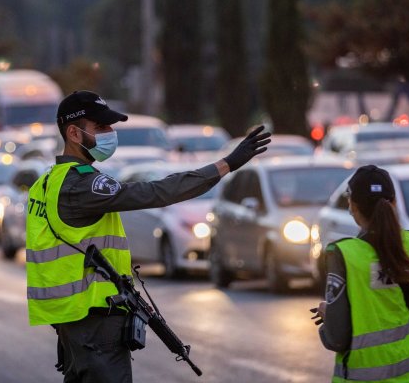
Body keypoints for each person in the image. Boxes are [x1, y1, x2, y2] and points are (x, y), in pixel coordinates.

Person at [25, 90, 270, 383]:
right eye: (101, 128)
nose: (110, 133)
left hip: (71, 320)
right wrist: (225, 164)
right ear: (74, 134)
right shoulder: (83, 186)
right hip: (94, 320)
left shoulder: (46, 183)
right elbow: (159, 191)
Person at [313, 165, 409, 382]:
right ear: (394, 203)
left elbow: (337, 339)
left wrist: (329, 315)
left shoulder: (345, 255)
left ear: (352, 206)